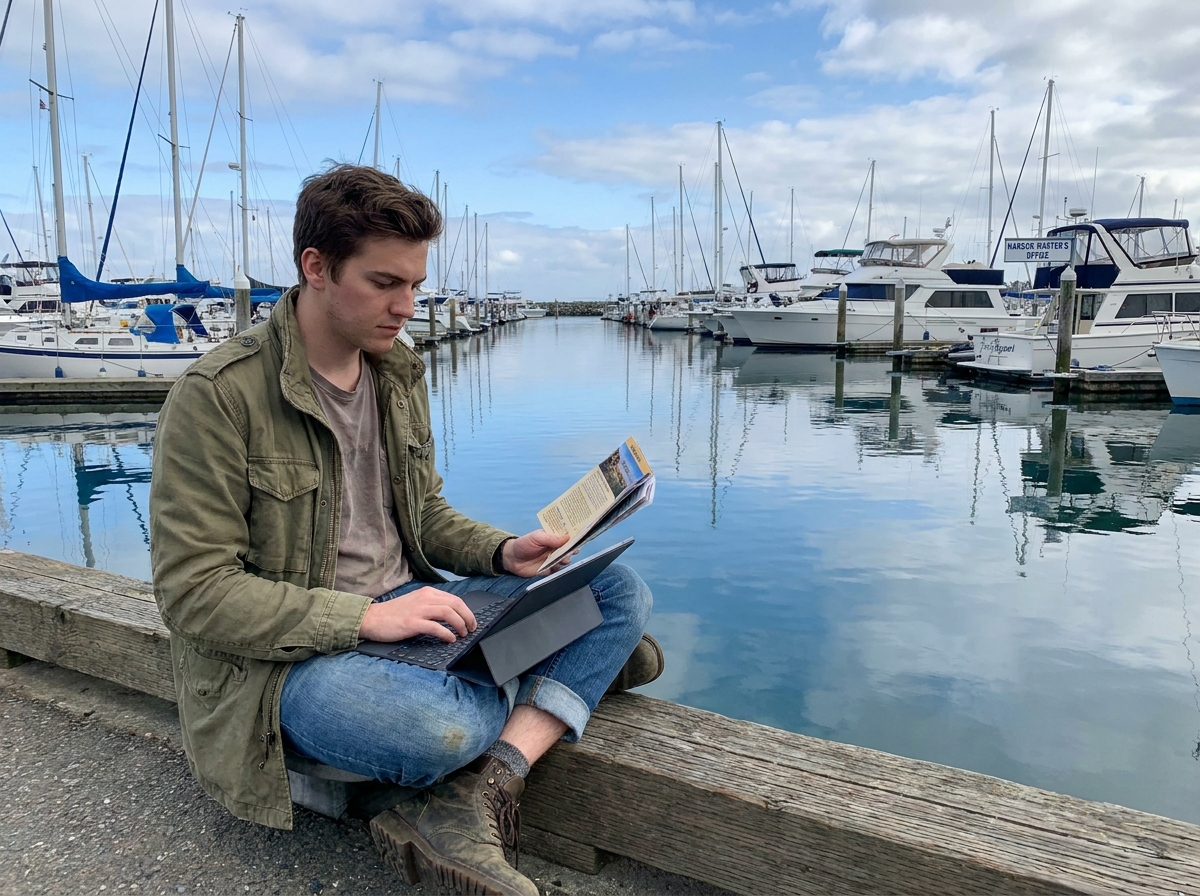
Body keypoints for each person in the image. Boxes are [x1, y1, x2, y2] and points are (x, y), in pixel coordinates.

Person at [149, 164, 662, 896]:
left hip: (414, 613)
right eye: (386, 283)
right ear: (316, 268)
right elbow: (196, 596)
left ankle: (482, 786)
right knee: (436, 730)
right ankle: (561, 670)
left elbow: (421, 513)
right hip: (290, 664)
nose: (408, 306)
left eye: (416, 284)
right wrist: (365, 617)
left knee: (616, 590)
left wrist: (502, 551)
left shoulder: (397, 369)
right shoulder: (216, 399)